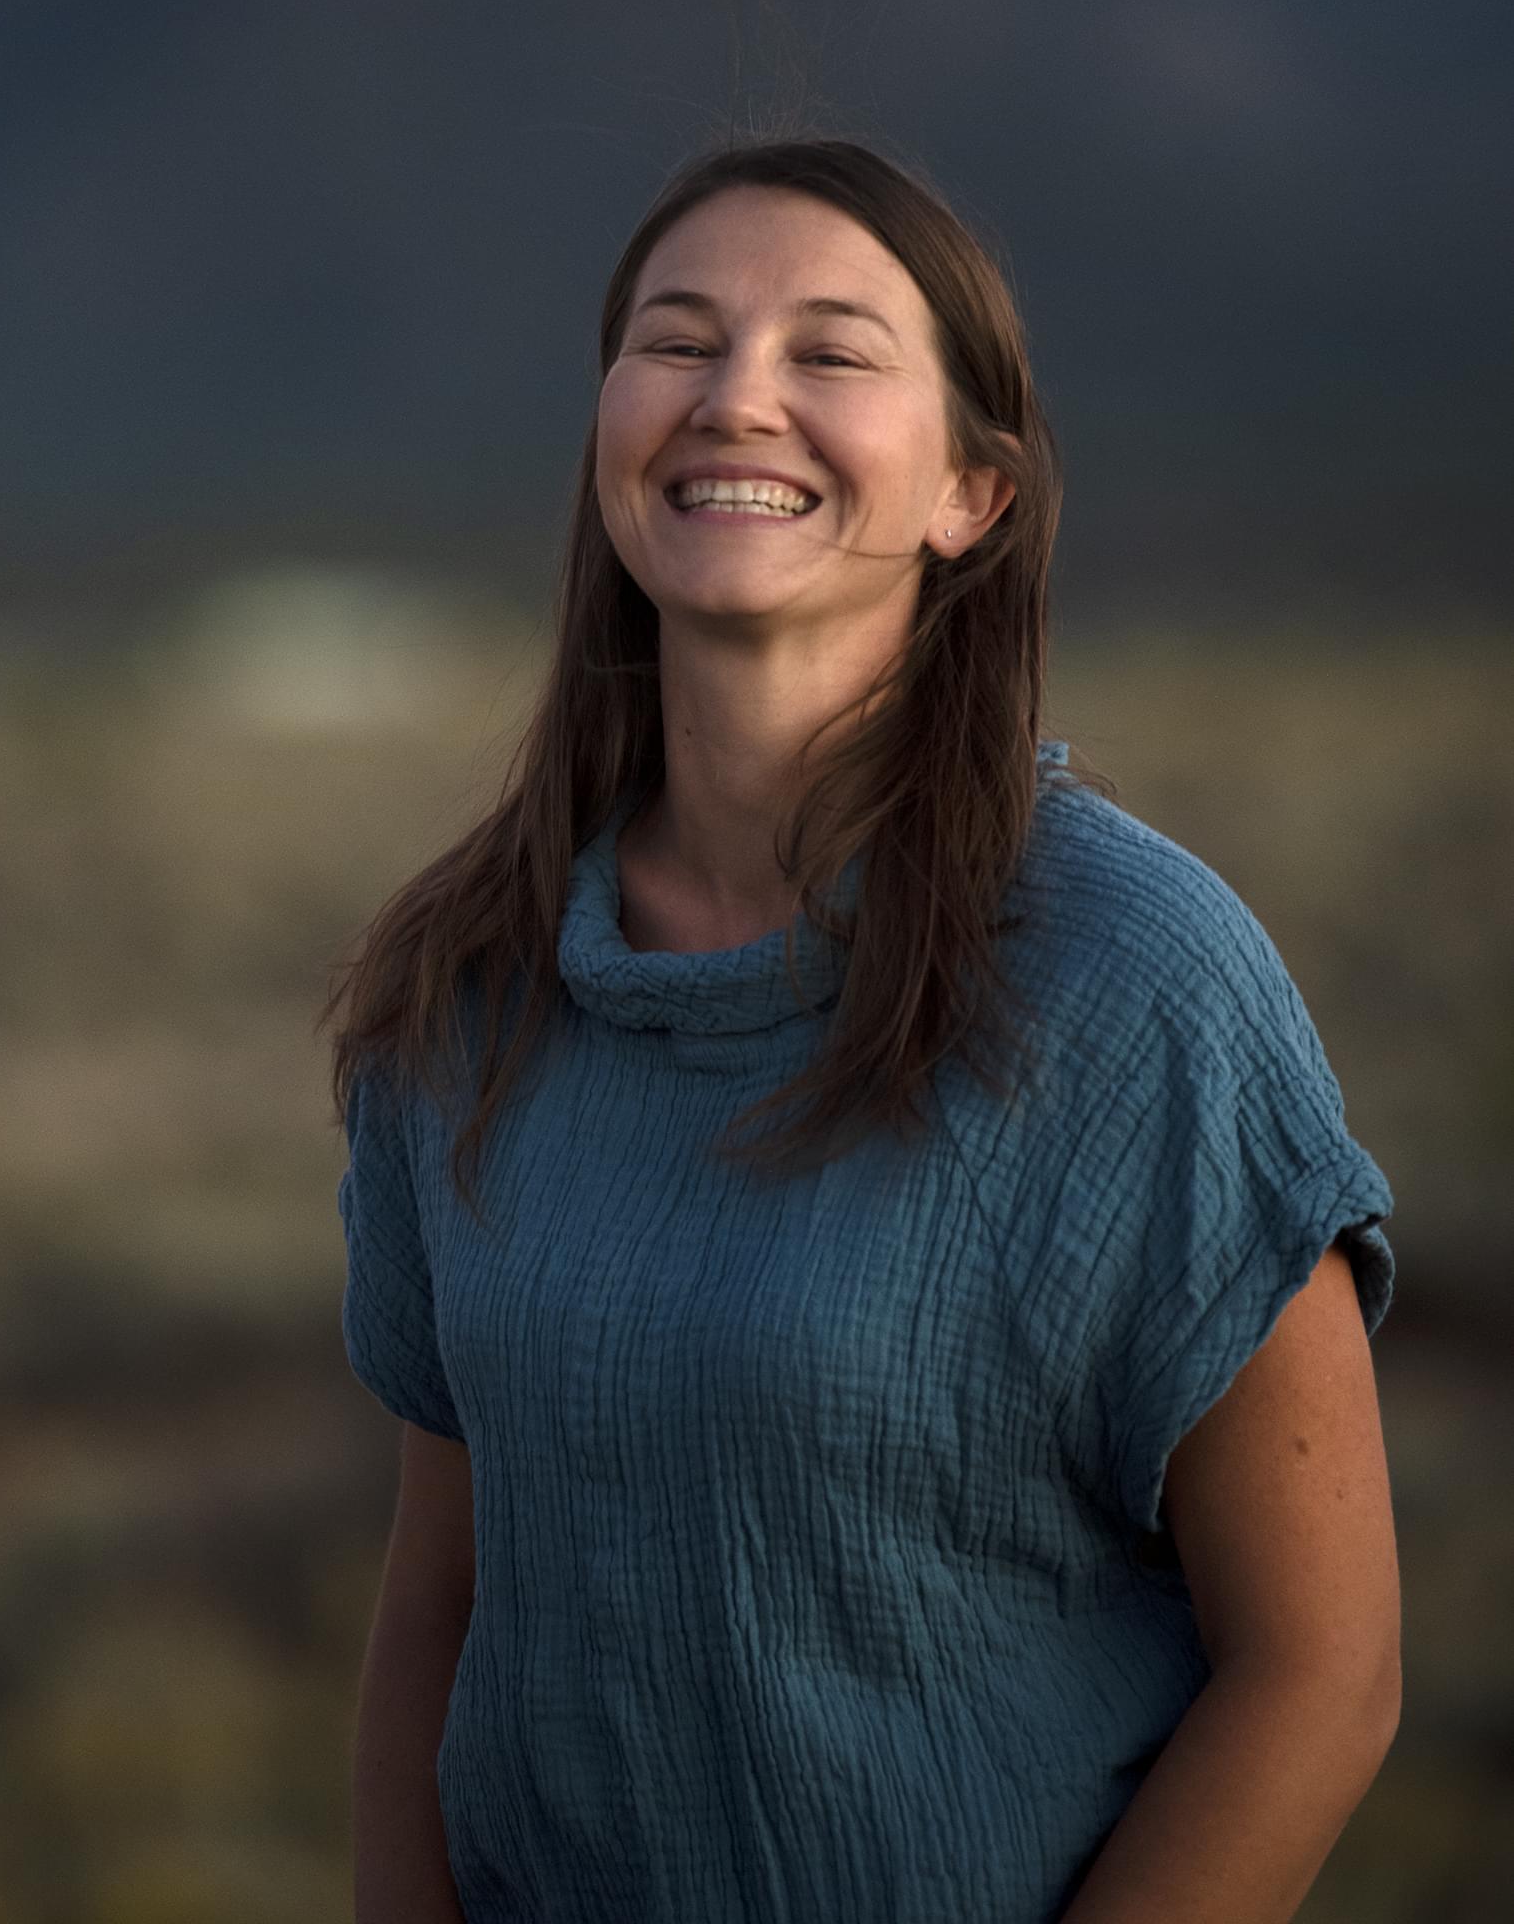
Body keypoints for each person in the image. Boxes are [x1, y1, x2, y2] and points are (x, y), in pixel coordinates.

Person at [324, 135, 1399, 1924]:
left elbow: (1321, 1672)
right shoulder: (474, 985)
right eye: (677, 340)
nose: (736, 398)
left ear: (972, 492)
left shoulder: (1135, 977)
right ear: (608, 434)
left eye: (829, 353)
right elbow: (442, 1609)